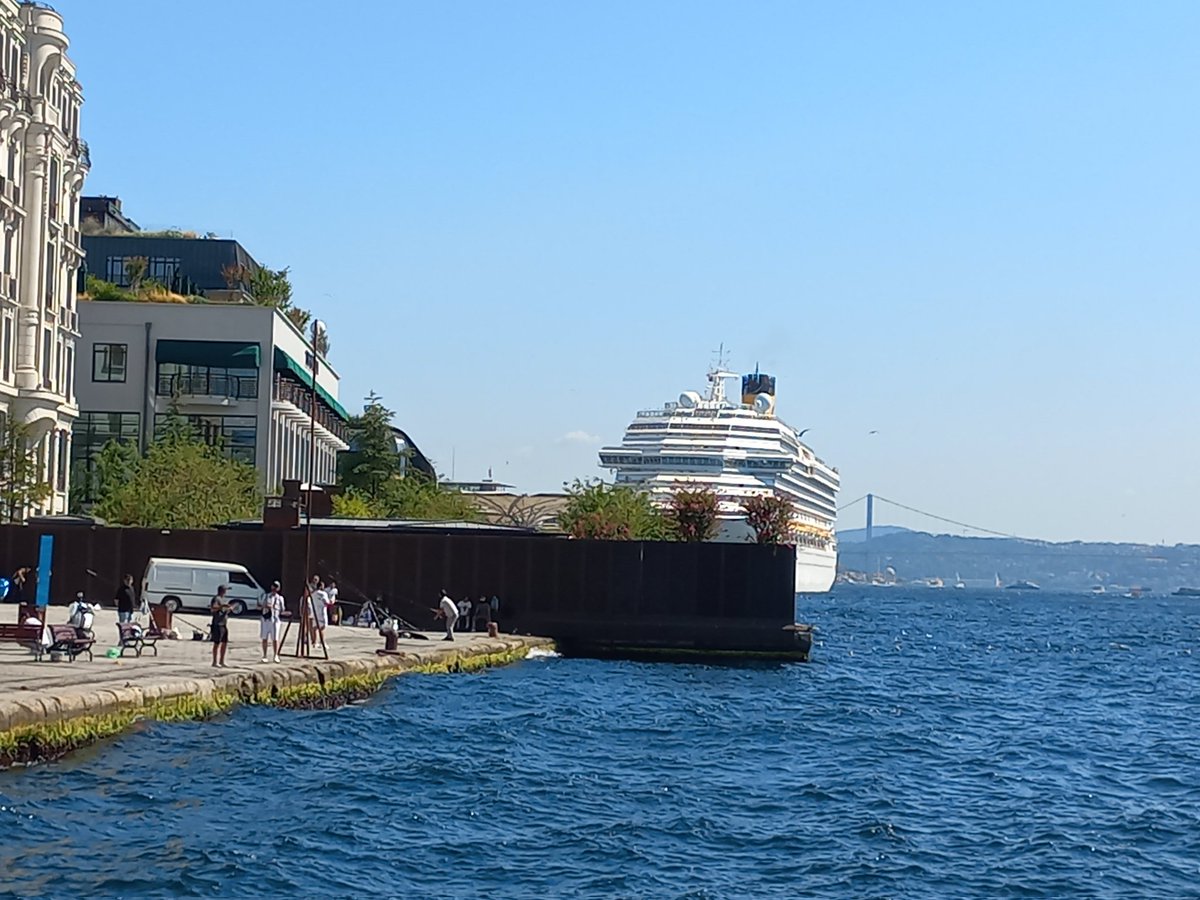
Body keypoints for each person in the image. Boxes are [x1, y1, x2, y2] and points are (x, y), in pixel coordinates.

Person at [259, 580, 285, 663]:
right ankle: (264, 655)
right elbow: (259, 606)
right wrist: (266, 606)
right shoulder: (266, 596)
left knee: (275, 638)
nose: (274, 588)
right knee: (264, 637)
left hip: (275, 619)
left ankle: (276, 655)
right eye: (273, 586)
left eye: (276, 587)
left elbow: (282, 609)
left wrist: (277, 610)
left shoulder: (280, 598)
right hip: (266, 619)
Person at [210, 585, 232, 667]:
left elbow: (223, 611)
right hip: (218, 624)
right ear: (222, 591)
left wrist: (228, 610)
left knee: (224, 642)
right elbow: (213, 608)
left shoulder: (223, 599)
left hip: (224, 623)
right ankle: (214, 662)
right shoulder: (216, 599)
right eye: (225, 590)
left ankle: (222, 661)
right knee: (217, 643)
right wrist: (222, 606)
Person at [309, 579, 329, 645]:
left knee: (315, 627)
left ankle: (315, 642)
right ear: (320, 586)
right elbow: (327, 602)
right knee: (322, 628)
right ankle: (323, 642)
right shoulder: (324, 594)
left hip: (315, 612)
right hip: (322, 613)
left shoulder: (313, 594)